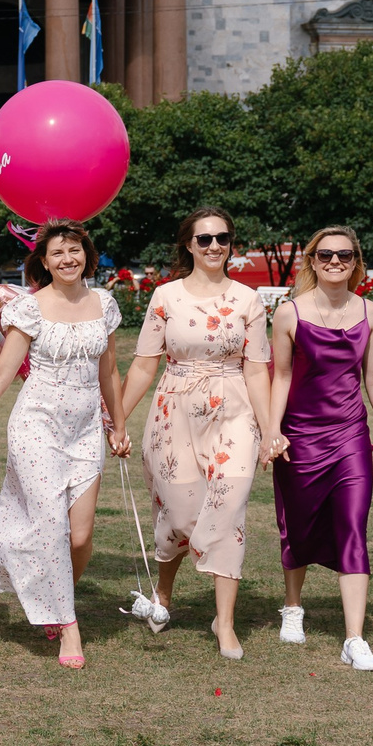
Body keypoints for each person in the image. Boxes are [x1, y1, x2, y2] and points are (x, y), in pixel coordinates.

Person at [113, 206, 275, 660]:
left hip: (234, 411)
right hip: (175, 411)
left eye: (222, 238)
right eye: (204, 239)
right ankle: (164, 595)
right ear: (188, 245)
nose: (214, 246)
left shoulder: (248, 299)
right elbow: (145, 363)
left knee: (228, 510)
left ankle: (224, 623)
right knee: (180, 518)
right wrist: (119, 421)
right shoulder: (165, 296)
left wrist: (269, 430)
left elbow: (258, 370)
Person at [0, 222, 130, 670]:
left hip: (84, 430)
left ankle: (52, 596)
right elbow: (3, 372)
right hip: (36, 425)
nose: (66, 259)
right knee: (51, 526)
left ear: (87, 255)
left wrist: (117, 425)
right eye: (57, 253)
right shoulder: (31, 308)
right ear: (44, 261)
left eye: (74, 250)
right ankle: (67, 625)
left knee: (80, 536)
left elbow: (109, 372)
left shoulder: (106, 304)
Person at [268, 226, 373, 669]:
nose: (335, 261)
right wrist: (272, 429)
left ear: (356, 261)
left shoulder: (370, 311)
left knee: (353, 528)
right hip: (300, 436)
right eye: (326, 255)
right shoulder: (288, 313)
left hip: (350, 437)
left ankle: (354, 639)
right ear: (313, 260)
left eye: (344, 254)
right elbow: (280, 377)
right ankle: (293, 606)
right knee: (298, 524)